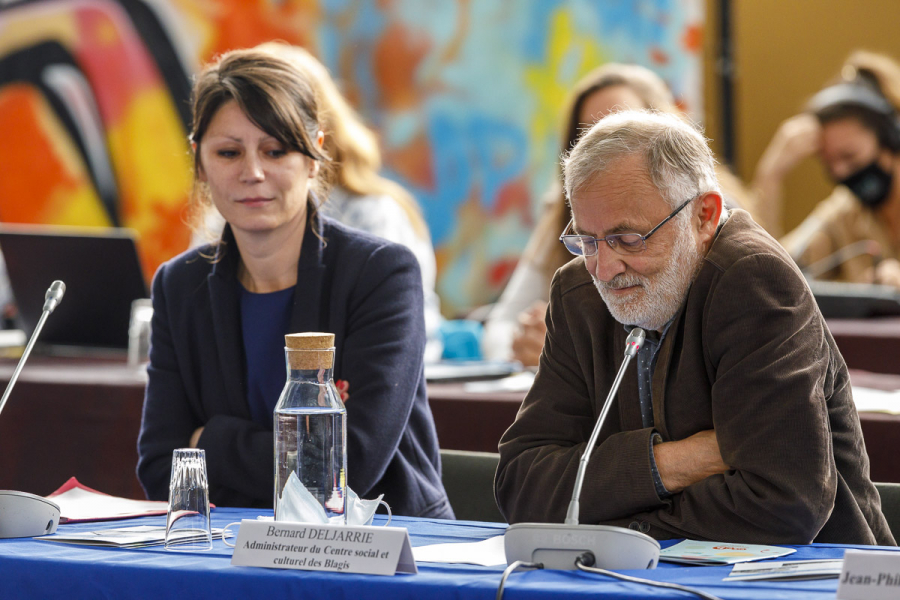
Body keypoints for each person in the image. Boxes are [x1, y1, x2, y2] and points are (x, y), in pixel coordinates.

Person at [494, 109, 894, 545]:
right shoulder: (578, 294)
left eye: (629, 239)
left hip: (807, 580)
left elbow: (785, 503)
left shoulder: (754, 279)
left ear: (704, 215)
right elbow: (521, 486)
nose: (604, 268)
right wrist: (675, 462)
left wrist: (610, 523)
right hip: (636, 578)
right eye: (587, 241)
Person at [136, 48, 453, 519]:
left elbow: (354, 467)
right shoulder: (178, 285)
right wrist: (301, 453)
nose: (253, 172)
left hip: (382, 549)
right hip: (231, 547)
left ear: (313, 156)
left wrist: (211, 441)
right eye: (228, 152)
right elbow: (162, 466)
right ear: (199, 162)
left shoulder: (382, 274)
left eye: (275, 150)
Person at [481, 63, 756, 367]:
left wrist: (569, 353)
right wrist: (529, 345)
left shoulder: (709, 219)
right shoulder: (557, 219)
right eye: (586, 132)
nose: (604, 268)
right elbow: (502, 324)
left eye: (628, 238)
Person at [754, 51, 900, 286]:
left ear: (890, 140)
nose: (841, 173)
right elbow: (772, 274)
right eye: (830, 162)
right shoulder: (845, 212)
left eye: (850, 156)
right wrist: (771, 176)